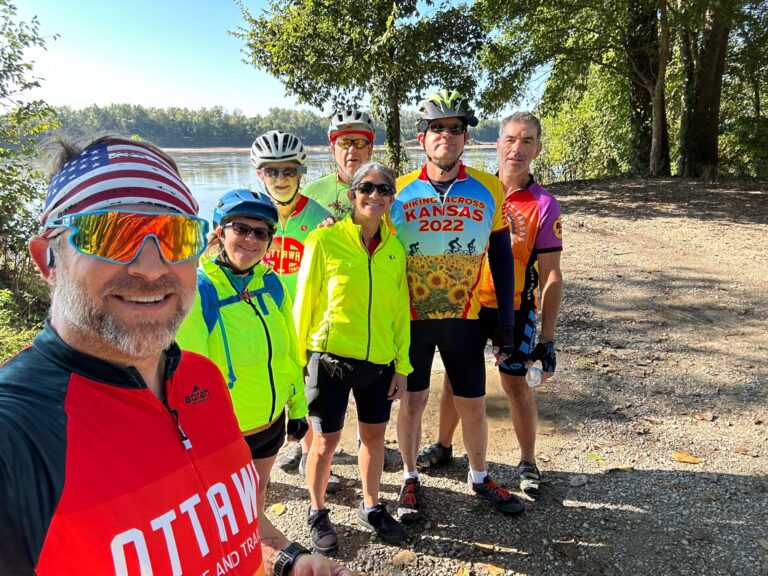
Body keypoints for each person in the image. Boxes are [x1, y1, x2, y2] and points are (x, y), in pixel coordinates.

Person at [0, 135, 352, 575]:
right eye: (109, 234)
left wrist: (288, 560)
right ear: (46, 259)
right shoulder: (18, 433)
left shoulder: (202, 379)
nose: (151, 266)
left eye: (175, 235)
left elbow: (223, 519)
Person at [388, 89, 525, 522]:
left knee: (474, 403)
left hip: (465, 318)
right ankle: (410, 479)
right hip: (409, 319)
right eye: (437, 128)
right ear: (421, 137)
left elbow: (502, 259)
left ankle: (480, 476)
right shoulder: (397, 191)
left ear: (466, 137)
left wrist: (507, 321)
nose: (446, 135)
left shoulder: (488, 187)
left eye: (455, 128)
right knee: (412, 402)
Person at [424, 112, 563, 499]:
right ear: (497, 143)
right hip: (466, 304)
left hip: (513, 308)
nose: (517, 148)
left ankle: (528, 461)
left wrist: (547, 339)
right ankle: (444, 445)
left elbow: (552, 275)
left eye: (527, 141)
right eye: (510, 139)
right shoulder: (476, 188)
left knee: (515, 385)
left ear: (536, 149)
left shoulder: (544, 204)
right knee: (455, 377)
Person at [294, 162, 411, 551]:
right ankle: (316, 509)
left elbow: (400, 312)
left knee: (374, 438)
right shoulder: (324, 241)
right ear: (352, 195)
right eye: (367, 188)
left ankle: (372, 505)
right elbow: (304, 305)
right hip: (328, 361)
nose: (374, 196)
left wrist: (403, 366)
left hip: (378, 365)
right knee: (325, 442)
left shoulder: (395, 249)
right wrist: (297, 364)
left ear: (391, 198)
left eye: (383, 190)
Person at [176, 188, 308, 516]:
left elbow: (290, 351)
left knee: (259, 491)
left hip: (271, 422)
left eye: (261, 232)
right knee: (221, 510)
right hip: (225, 431)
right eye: (241, 229)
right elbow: (188, 376)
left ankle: (256, 554)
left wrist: (298, 407)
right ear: (220, 231)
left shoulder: (271, 284)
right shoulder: (199, 291)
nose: (251, 239)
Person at [247, 131, 342, 494]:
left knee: (310, 391)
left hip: (306, 321)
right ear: (260, 175)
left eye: (288, 171)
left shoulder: (320, 217)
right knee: (268, 389)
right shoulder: (251, 214)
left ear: (301, 172)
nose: (281, 179)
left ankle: (310, 455)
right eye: (272, 172)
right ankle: (272, 454)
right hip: (261, 319)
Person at [302, 110, 375, 220]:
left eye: (360, 143)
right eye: (344, 143)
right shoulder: (310, 194)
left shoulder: (386, 191)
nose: (352, 150)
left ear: (370, 149)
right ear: (333, 149)